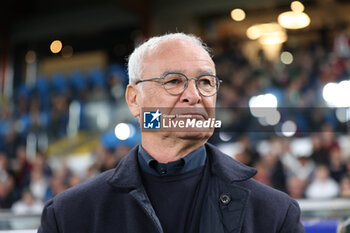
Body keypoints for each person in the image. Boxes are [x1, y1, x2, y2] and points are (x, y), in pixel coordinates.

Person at [38, 33, 304, 233]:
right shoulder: (68, 216)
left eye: (205, 82)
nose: (194, 95)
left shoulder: (276, 214)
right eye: (174, 81)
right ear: (134, 100)